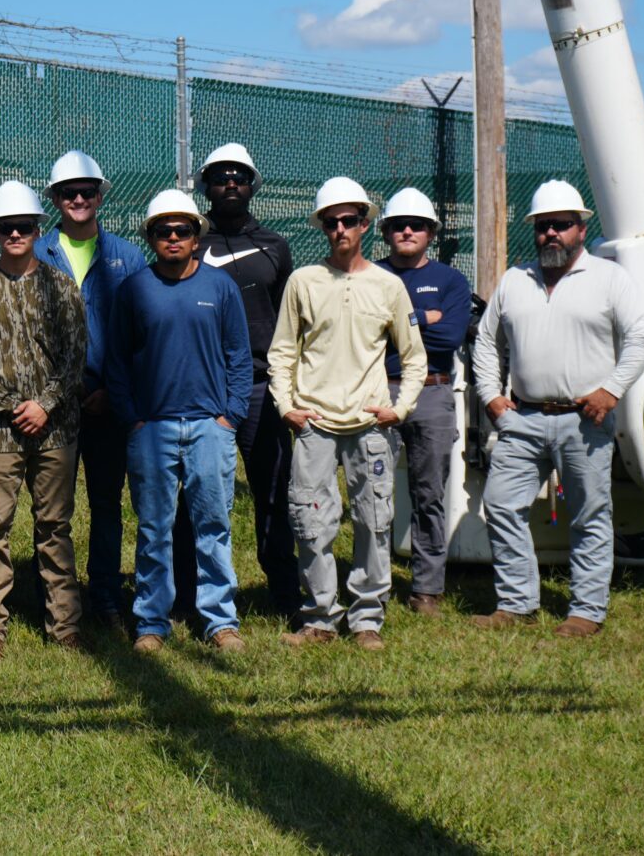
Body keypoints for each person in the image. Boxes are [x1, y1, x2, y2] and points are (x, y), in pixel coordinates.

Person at [471, 180, 644, 637]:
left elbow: (642, 338)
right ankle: (517, 602)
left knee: (590, 514)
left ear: (580, 228)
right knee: (500, 505)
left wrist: (611, 391)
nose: (551, 234)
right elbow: (485, 344)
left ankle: (586, 612)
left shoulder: (610, 278)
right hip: (523, 418)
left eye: (561, 225)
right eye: (543, 226)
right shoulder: (516, 280)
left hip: (585, 420)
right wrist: (493, 398)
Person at [268, 177, 425, 651]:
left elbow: (414, 357)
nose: (340, 229)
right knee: (311, 521)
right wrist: (287, 406)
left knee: (375, 521)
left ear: (364, 224)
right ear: (322, 227)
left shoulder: (388, 286)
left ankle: (367, 619)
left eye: (349, 220)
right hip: (314, 424)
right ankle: (319, 616)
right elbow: (282, 352)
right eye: (331, 221)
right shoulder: (304, 282)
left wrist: (398, 408)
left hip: (370, 425)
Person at [107, 189, 253, 655]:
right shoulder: (134, 289)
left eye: (182, 230)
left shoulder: (220, 287)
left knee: (213, 526)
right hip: (153, 430)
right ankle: (152, 622)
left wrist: (230, 417)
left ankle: (219, 621)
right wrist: (133, 421)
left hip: (211, 428)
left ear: (196, 237)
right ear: (150, 237)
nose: (173, 237)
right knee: (153, 529)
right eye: (163, 231)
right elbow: (118, 362)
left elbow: (238, 356)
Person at [0, 181, 88, 660]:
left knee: (55, 526)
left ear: (37, 230)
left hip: (57, 429)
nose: (15, 233)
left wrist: (45, 404)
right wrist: (16, 405)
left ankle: (64, 623)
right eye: (6, 227)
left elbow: (76, 355)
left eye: (24, 226)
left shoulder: (61, 285)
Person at [34, 149, 147, 623]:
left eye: (87, 191)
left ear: (100, 196)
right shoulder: (38, 252)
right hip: (55, 406)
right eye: (68, 193)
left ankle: (104, 593)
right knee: (52, 509)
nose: (79, 199)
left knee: (106, 503)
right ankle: (58, 599)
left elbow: (141, 333)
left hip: (109, 402)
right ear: (56, 199)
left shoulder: (127, 256)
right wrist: (59, 392)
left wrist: (112, 390)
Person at [188, 143, 298, 617]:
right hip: (203, 388)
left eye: (239, 176)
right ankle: (188, 594)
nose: (230, 182)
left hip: (259, 388)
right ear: (206, 187)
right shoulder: (194, 243)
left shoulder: (275, 245)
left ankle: (285, 593)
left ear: (252, 185)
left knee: (274, 491)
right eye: (219, 176)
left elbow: (288, 319)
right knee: (198, 496)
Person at [374, 187, 472, 616]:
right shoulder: (370, 275)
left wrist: (400, 318)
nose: (407, 231)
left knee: (428, 492)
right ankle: (372, 582)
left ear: (431, 232)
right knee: (372, 492)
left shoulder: (452, 280)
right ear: (385, 232)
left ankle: (426, 588)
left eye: (416, 225)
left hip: (432, 391)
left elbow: (449, 336)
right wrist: (423, 316)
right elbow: (364, 336)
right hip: (378, 389)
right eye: (398, 225)